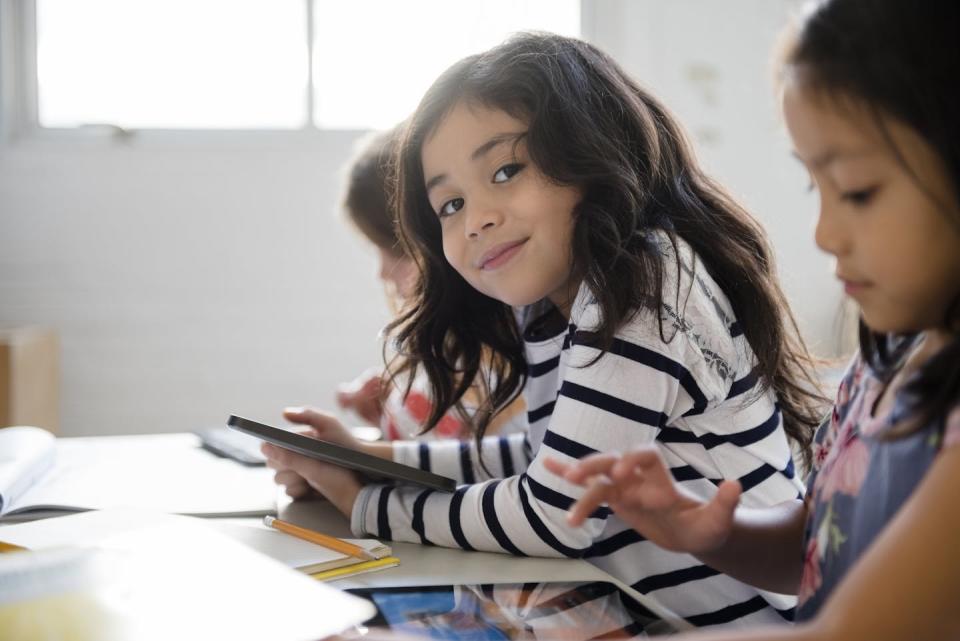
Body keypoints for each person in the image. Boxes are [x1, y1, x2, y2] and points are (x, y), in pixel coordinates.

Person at [263, 32, 826, 628]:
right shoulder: (555, 302)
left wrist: (366, 505)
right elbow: (544, 457)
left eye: (505, 170)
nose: (476, 217)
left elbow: (554, 514)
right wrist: (368, 457)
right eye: (450, 205)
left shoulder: (643, 282)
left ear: (592, 152)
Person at [546, 1, 960, 638]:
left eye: (856, 190)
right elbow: (818, 543)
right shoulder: (883, 364)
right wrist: (707, 529)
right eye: (812, 186)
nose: (823, 233)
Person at [297, 125, 524, 443]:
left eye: (393, 250)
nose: (382, 274)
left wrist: (355, 473)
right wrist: (390, 412)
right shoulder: (444, 350)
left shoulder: (512, 376)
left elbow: (470, 474)